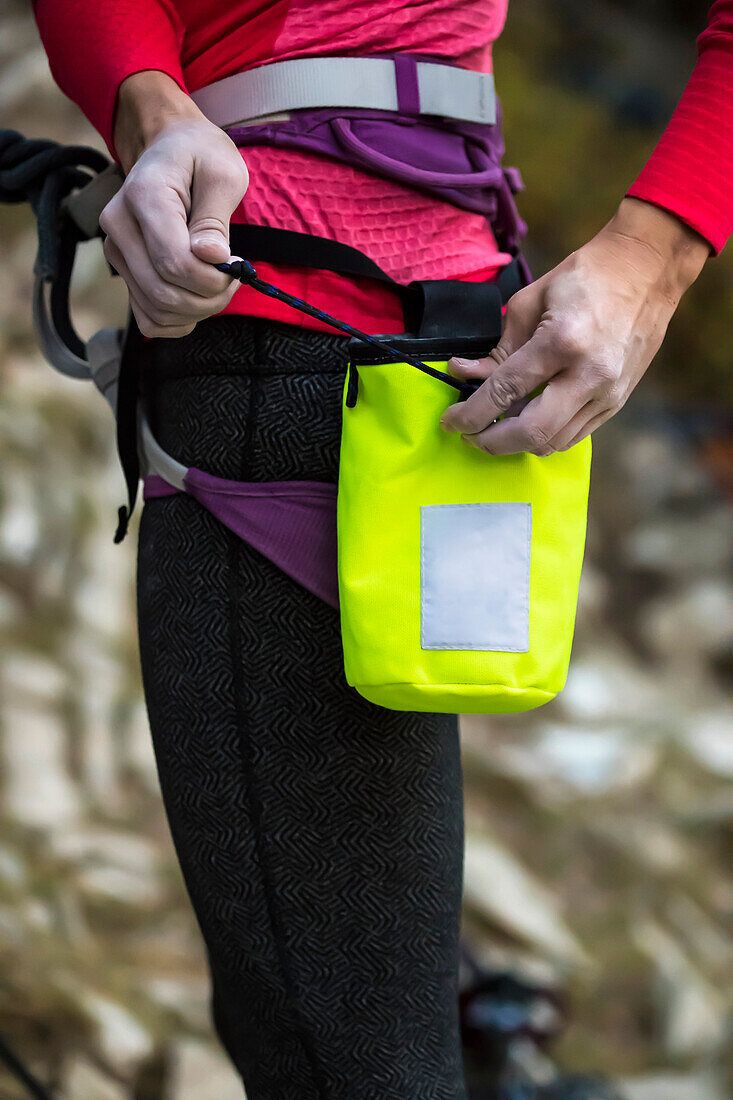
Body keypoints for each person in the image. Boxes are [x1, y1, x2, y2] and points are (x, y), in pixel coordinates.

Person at [32, 3, 732, 1099]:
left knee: (351, 1056)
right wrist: (146, 106)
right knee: (369, 997)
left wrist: (656, 253)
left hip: (289, 351)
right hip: (442, 336)